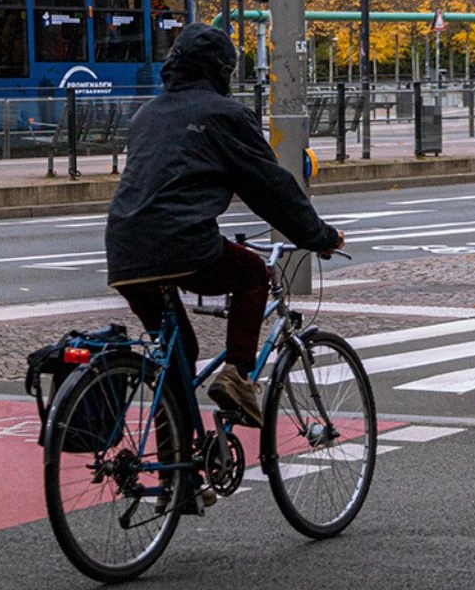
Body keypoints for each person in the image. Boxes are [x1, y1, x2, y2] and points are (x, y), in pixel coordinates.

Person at [105, 23, 344, 428]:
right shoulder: (226, 114)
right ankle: (236, 376)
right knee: (253, 272)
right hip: (182, 243)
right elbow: (270, 187)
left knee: (177, 358)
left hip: (124, 250)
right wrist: (319, 236)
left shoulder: (148, 113)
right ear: (220, 71)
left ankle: (178, 479)